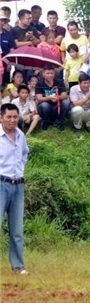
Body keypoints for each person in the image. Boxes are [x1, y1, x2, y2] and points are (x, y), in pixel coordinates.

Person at [0, 103, 29, 275]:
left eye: (15, 117)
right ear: (1, 118)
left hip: (17, 185)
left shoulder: (20, 136)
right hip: (1, 184)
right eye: (8, 117)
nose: (12, 120)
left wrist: (20, 170)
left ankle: (18, 266)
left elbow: (25, 154)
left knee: (17, 230)